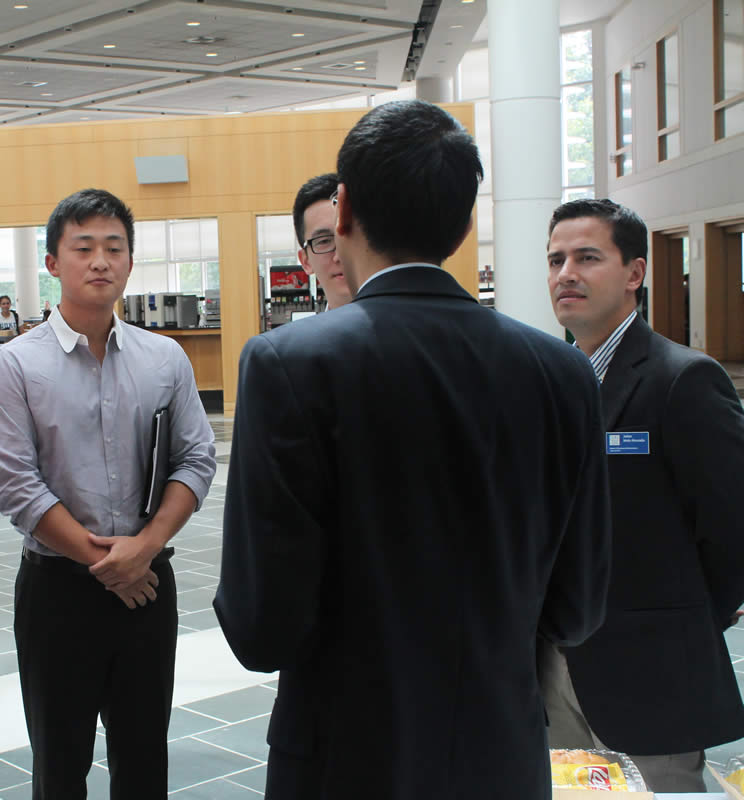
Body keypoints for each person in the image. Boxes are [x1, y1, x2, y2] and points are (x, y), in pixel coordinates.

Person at [213, 99, 612, 800]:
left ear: (342, 211)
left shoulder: (290, 364)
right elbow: (577, 609)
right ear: (463, 226)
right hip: (499, 752)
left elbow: (261, 627)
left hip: (343, 756)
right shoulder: (562, 373)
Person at [0, 188, 216, 799]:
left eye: (114, 248)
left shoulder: (165, 358)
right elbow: (15, 484)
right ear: (53, 262)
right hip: (57, 593)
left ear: (130, 262)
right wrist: (108, 563)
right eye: (82, 248)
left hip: (147, 588)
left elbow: (196, 458)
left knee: (144, 761)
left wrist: (145, 548)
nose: (100, 261)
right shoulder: (14, 365)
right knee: (60, 766)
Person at [541, 198, 744, 792]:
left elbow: (733, 528)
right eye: (555, 260)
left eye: (586, 257)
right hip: (552, 668)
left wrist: (679, 623)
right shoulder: (547, 380)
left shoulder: (682, 379)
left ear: (635, 272)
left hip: (652, 673)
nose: (565, 274)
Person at [292, 173, 351, 309]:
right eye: (324, 241)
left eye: (349, 235)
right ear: (305, 261)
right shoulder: (303, 331)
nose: (339, 256)